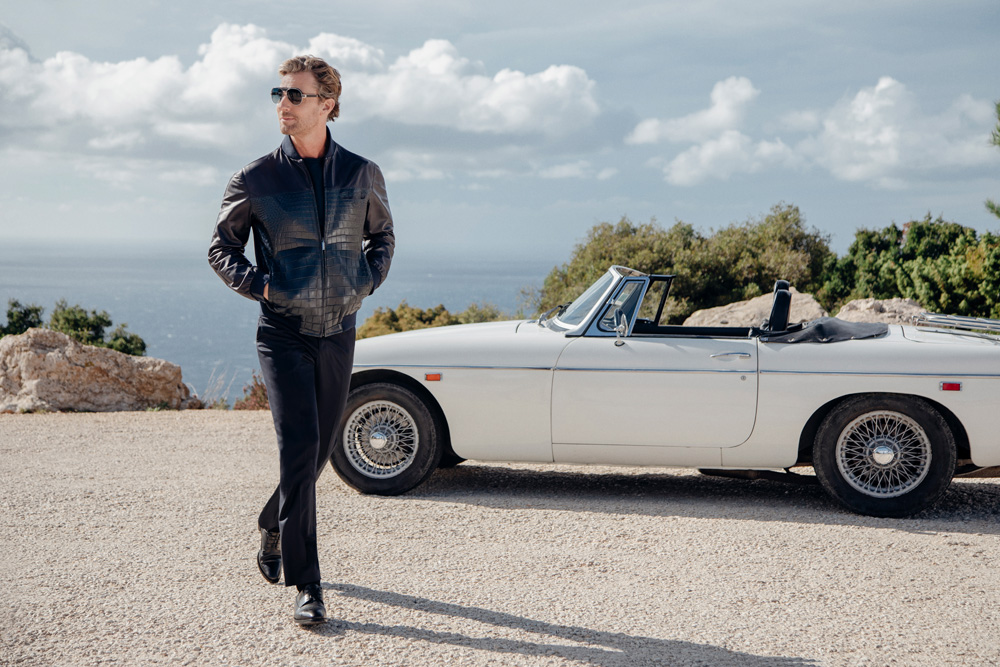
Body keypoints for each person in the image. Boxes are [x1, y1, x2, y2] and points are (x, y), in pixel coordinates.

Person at [208, 55, 394, 625]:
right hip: (283, 332)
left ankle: (272, 523)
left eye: (294, 94)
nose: (282, 104)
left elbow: (382, 237)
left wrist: (364, 282)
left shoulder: (361, 173)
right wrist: (263, 286)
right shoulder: (255, 178)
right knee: (298, 447)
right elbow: (221, 249)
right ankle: (308, 584)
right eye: (278, 94)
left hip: (338, 329)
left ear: (326, 104)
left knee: (317, 452)